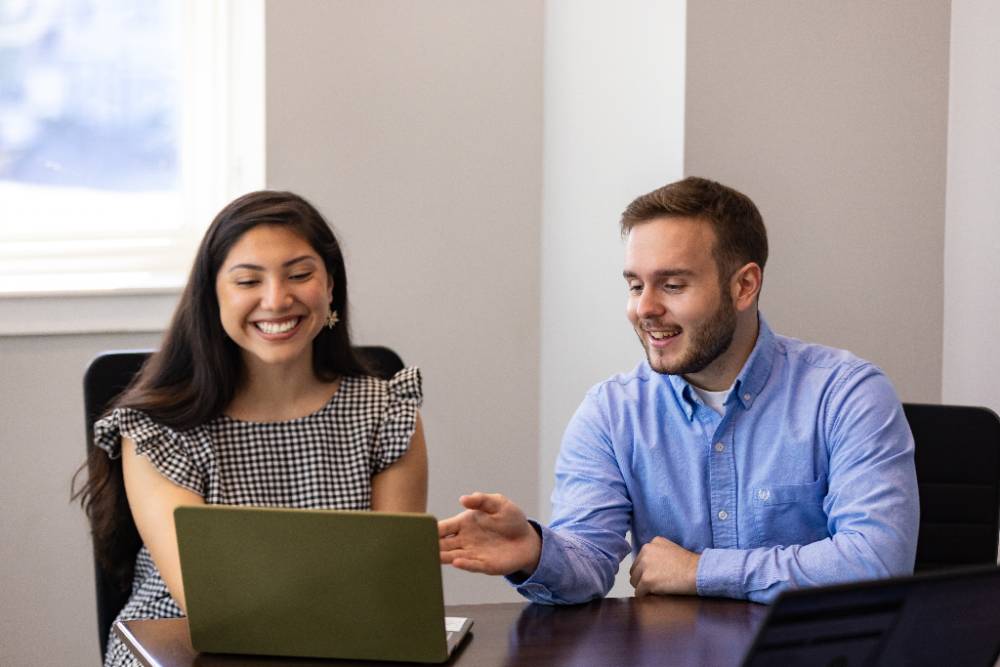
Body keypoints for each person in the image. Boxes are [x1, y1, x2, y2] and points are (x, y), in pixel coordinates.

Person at [439, 176, 918, 605]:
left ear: (744, 286)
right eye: (634, 286)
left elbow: (877, 562)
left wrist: (699, 571)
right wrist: (535, 552)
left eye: (671, 285)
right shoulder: (612, 412)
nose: (644, 309)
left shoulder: (846, 395)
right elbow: (587, 560)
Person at [73, 191, 428, 667]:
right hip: (183, 647)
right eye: (247, 280)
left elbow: (386, 587)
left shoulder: (388, 413)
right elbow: (212, 601)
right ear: (213, 296)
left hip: (343, 647)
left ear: (330, 288)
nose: (277, 300)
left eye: (300, 275)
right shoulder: (159, 428)